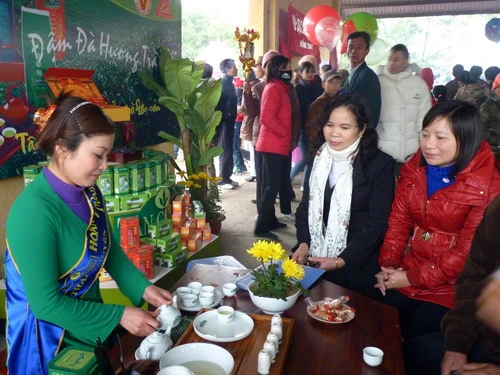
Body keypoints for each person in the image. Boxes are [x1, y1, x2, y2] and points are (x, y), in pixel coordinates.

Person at [5, 94, 173, 374]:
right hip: (47, 343)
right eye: (98, 154)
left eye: (107, 154)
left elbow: (109, 250)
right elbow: (45, 305)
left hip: (88, 325)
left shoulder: (90, 193)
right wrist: (120, 314)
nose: (105, 165)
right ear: (62, 149)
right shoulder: (33, 212)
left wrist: (143, 288)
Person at [376, 100, 500, 342]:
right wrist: (389, 264)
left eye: (440, 137)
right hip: (408, 269)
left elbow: (467, 252)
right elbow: (398, 221)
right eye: (424, 134)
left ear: (465, 141)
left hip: (452, 286)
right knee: (373, 319)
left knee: (409, 340)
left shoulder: (489, 186)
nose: (428, 144)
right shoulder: (414, 167)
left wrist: (410, 277)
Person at [292, 93, 395, 300]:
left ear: (361, 130)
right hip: (314, 249)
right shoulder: (318, 157)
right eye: (330, 125)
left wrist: (340, 261)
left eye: (345, 127)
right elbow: (305, 207)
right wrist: (304, 242)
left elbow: (376, 225)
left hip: (357, 258)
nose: (334, 134)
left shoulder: (379, 164)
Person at [403, 195, 500, 375]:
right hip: (484, 339)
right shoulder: (497, 210)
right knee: (408, 353)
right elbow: (472, 278)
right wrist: (457, 345)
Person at [254, 54, 295, 239]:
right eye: (286, 68)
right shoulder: (273, 89)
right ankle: (261, 227)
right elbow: (266, 118)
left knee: (273, 186)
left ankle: (270, 220)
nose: (289, 71)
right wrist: (285, 132)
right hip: (272, 145)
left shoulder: (281, 88)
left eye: (290, 67)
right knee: (270, 188)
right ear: (277, 69)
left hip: (277, 145)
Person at [376, 44, 432, 169]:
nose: (391, 63)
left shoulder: (419, 84)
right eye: (389, 59)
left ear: (406, 62)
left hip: (412, 150)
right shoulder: (378, 82)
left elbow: (424, 118)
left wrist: (423, 144)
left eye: (396, 60)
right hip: (383, 149)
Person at [291, 61, 323, 191]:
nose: (310, 74)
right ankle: (288, 180)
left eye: (312, 71)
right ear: (300, 73)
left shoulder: (316, 87)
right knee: (306, 157)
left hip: (315, 128)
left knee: (312, 157)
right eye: (307, 71)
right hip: (303, 128)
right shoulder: (297, 89)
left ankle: (306, 184)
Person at [343, 31, 381, 128]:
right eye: (351, 47)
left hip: (361, 134)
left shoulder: (368, 76)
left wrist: (365, 137)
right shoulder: (348, 76)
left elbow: (373, 111)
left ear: (367, 51)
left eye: (359, 47)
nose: (353, 51)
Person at [304, 69, 349, 149]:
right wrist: (321, 143)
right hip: (323, 146)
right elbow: (311, 128)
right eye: (331, 82)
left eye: (337, 82)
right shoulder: (318, 104)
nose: (334, 85)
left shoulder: (342, 101)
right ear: (323, 84)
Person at [240, 56, 264, 183]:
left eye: (257, 66)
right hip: (256, 125)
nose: (255, 70)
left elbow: (249, 111)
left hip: (259, 126)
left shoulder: (258, 87)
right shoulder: (256, 86)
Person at [215, 58, 239, 189]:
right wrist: (226, 116)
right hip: (224, 122)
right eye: (234, 67)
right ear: (227, 69)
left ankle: (227, 177)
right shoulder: (224, 83)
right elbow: (221, 103)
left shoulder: (230, 83)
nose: (236, 69)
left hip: (230, 121)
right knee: (225, 150)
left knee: (230, 149)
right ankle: (222, 179)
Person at [480, 73, 500, 160]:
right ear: (495, 88)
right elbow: (481, 131)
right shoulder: (486, 107)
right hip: (497, 153)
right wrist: (498, 141)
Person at [232, 76, 247, 175]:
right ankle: (240, 165)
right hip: (239, 121)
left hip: (237, 121)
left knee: (234, 145)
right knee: (235, 145)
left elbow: (240, 111)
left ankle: (239, 166)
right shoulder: (242, 93)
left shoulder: (238, 93)